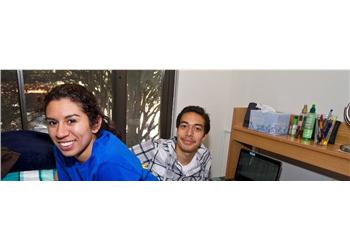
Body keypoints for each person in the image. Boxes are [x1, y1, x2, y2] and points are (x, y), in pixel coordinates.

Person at [43, 84, 157, 181]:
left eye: (71, 121)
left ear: (95, 124)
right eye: (53, 123)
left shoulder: (110, 163)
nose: (60, 133)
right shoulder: (63, 148)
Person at [131, 105, 212, 181]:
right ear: (177, 129)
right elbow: (121, 160)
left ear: (204, 136)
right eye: (184, 126)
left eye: (197, 128)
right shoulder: (155, 148)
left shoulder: (205, 157)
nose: (189, 133)